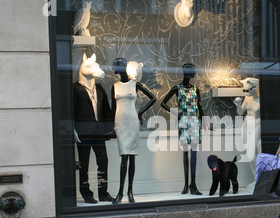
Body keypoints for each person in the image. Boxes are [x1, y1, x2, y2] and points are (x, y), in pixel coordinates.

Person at [111, 58, 156, 204]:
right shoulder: (115, 86)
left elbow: (152, 98)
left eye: (118, 66)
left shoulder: (135, 84)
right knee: (123, 156)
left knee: (132, 157)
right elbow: (113, 108)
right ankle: (120, 192)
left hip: (132, 121)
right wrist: (111, 125)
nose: (115, 68)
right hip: (120, 122)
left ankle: (130, 192)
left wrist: (140, 112)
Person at [73, 53, 115, 204]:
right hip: (83, 132)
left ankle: (103, 192)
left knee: (103, 161)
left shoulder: (99, 88)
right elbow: (70, 111)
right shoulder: (75, 89)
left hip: (98, 133)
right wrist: (72, 130)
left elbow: (106, 108)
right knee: (83, 163)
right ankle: (86, 193)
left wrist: (109, 128)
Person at [161, 63, 204, 195]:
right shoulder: (177, 88)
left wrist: (205, 121)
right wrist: (176, 113)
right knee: (185, 152)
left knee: (194, 153)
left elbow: (199, 107)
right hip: (184, 122)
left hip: (195, 122)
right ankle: (186, 184)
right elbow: (163, 103)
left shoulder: (196, 89)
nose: (195, 73)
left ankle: (193, 184)